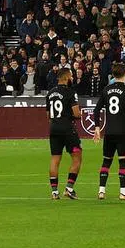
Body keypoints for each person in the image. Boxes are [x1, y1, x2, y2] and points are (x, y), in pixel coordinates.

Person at [93, 63, 125, 200]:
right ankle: (123, 193)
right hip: (123, 131)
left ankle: (101, 191)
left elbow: (96, 110)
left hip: (109, 131)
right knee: (123, 161)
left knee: (106, 161)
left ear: (113, 75)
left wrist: (97, 128)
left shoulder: (106, 89)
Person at [46, 67, 82, 199]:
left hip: (54, 128)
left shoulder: (50, 93)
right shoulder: (71, 92)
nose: (72, 78)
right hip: (68, 129)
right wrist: (79, 115)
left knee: (55, 159)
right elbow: (76, 113)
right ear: (66, 77)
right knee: (77, 157)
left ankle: (54, 192)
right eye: (71, 76)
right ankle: (69, 188)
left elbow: (48, 115)